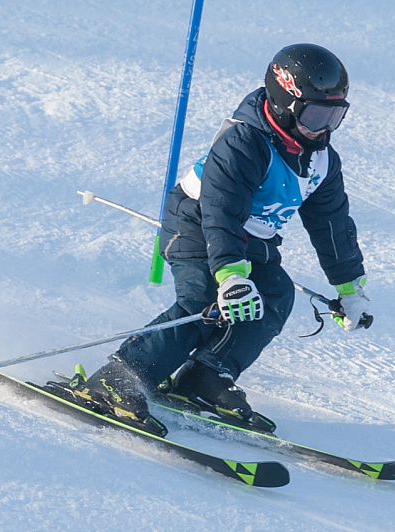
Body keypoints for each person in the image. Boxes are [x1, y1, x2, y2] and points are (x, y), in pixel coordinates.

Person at [71, 43, 370, 427]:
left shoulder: (322, 161)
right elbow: (222, 212)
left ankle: (205, 377)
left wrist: (350, 288)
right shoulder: (244, 142)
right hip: (198, 223)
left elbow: (332, 225)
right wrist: (230, 276)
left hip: (253, 239)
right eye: (315, 115)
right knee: (203, 300)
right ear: (284, 102)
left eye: (334, 116)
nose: (324, 128)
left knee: (276, 294)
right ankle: (118, 378)